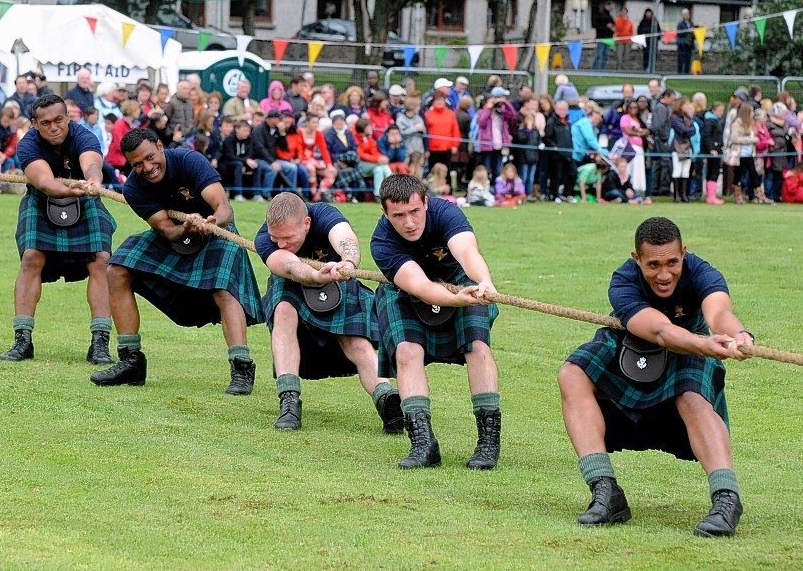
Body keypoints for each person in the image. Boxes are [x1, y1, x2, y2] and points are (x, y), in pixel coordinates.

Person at [559, 217, 750, 534]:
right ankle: (606, 492)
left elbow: (718, 313)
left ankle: (726, 500)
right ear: (637, 259)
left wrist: (739, 334)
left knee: (693, 397)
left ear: (684, 253)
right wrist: (703, 344)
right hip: (635, 340)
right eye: (654, 265)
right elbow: (659, 331)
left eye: (673, 262)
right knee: (572, 374)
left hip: (692, 343)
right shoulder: (623, 280)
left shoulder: (702, 271)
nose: (664, 275)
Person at [90, 129, 263, 393]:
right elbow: (167, 230)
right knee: (116, 269)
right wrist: (185, 229)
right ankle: (131, 362)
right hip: (178, 233)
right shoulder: (134, 188)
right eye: (138, 164)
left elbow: (225, 208)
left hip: (217, 232)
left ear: (160, 146)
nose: (147, 168)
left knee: (223, 288)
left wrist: (211, 222)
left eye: (150, 157)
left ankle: (241, 368)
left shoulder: (189, 160)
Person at [370, 174, 501, 470]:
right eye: (399, 216)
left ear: (426, 203)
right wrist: (460, 299)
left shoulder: (446, 213)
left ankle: (488, 442)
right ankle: (423, 444)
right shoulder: (382, 242)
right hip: (407, 290)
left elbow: (467, 251)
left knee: (478, 347)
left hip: (459, 280)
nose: (409, 223)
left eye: (415, 212)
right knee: (406, 351)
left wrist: (484, 281)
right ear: (385, 213)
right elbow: (421, 287)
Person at [255, 192, 402, 431]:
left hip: (338, 280)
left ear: (306, 224)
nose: (280, 243)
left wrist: (348, 262)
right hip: (292, 282)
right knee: (283, 311)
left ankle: (387, 400)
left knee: (356, 342)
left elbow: (346, 239)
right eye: (276, 238)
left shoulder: (324, 214)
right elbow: (290, 267)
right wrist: (314, 275)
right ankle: (289, 402)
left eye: (288, 238)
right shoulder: (265, 238)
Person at [0, 93, 116, 366]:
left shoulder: (84, 136)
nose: (54, 127)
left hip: (86, 198)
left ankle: (100, 344)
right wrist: (68, 187)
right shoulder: (28, 144)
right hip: (41, 199)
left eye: (59, 120)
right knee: (31, 256)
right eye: (46, 122)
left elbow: (92, 164)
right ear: (34, 124)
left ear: (68, 118)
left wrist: (92, 180)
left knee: (101, 259)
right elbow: (44, 182)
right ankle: (22, 340)